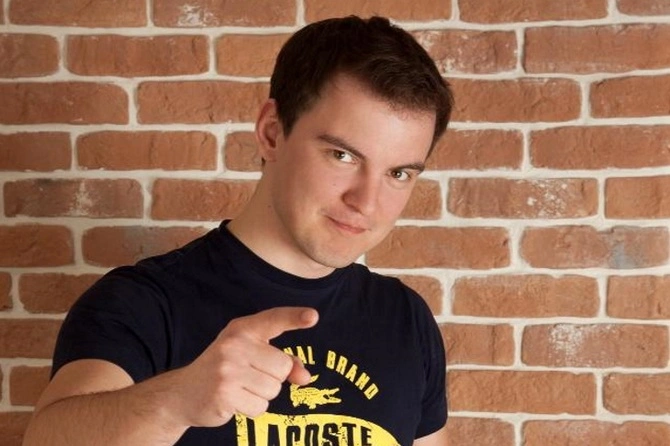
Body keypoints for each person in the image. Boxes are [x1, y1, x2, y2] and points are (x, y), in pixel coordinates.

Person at [23, 15, 453, 446]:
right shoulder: (142, 303)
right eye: (342, 155)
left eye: (398, 173)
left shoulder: (405, 319)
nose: (367, 202)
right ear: (272, 133)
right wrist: (175, 402)